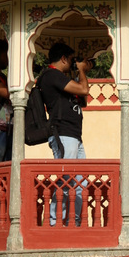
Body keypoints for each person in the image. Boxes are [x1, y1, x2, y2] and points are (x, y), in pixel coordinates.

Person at [38, 42, 92, 225]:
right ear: (63, 59)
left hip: (74, 135)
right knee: (66, 180)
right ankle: (55, 221)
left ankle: (74, 222)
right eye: (71, 60)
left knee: (80, 183)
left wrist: (80, 72)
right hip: (63, 134)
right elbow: (84, 89)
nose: (72, 64)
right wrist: (82, 71)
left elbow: (83, 100)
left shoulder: (63, 80)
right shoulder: (52, 75)